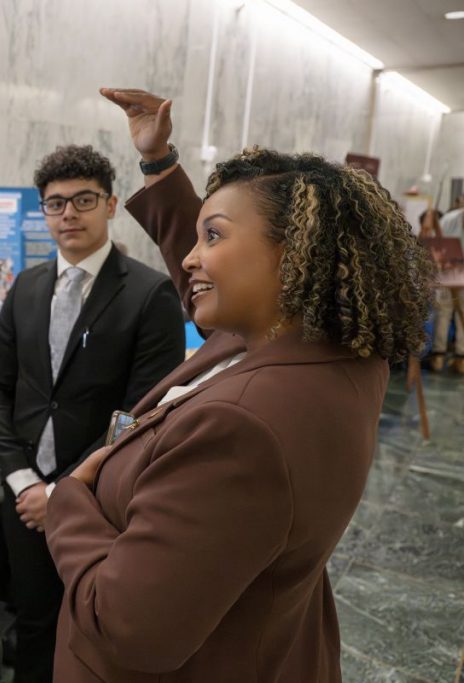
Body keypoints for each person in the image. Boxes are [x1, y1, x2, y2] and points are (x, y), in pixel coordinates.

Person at [43, 89, 433, 682]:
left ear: (295, 252)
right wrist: (160, 165)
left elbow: (128, 628)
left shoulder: (241, 425)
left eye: (215, 236)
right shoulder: (335, 348)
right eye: (198, 238)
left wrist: (68, 499)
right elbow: (202, 273)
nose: (192, 258)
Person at [0, 144, 186, 682]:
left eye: (83, 200)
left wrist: (63, 492)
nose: (68, 213)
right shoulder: (25, 287)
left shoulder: (150, 293)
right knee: (33, 621)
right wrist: (25, 481)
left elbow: (141, 419)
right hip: (24, 496)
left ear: (112, 204)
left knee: (90, 631)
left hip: (100, 499)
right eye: (55, 204)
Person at [430, 198, 464, 373]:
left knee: (453, 315)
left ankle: (459, 359)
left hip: (452, 272)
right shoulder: (449, 219)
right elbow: (436, 245)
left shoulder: (449, 218)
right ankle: (439, 356)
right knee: (443, 313)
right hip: (448, 273)